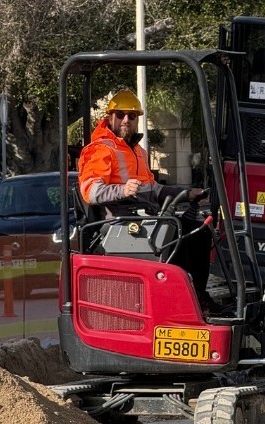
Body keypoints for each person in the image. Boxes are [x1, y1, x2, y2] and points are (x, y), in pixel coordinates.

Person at [77, 88, 213, 305]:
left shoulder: (138, 152)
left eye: (132, 116)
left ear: (138, 120)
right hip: (118, 223)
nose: (126, 120)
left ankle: (198, 297)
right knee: (175, 233)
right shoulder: (100, 149)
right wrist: (121, 190)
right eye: (120, 115)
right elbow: (91, 192)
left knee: (199, 233)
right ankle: (182, 301)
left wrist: (187, 194)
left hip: (144, 219)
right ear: (110, 117)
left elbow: (155, 190)